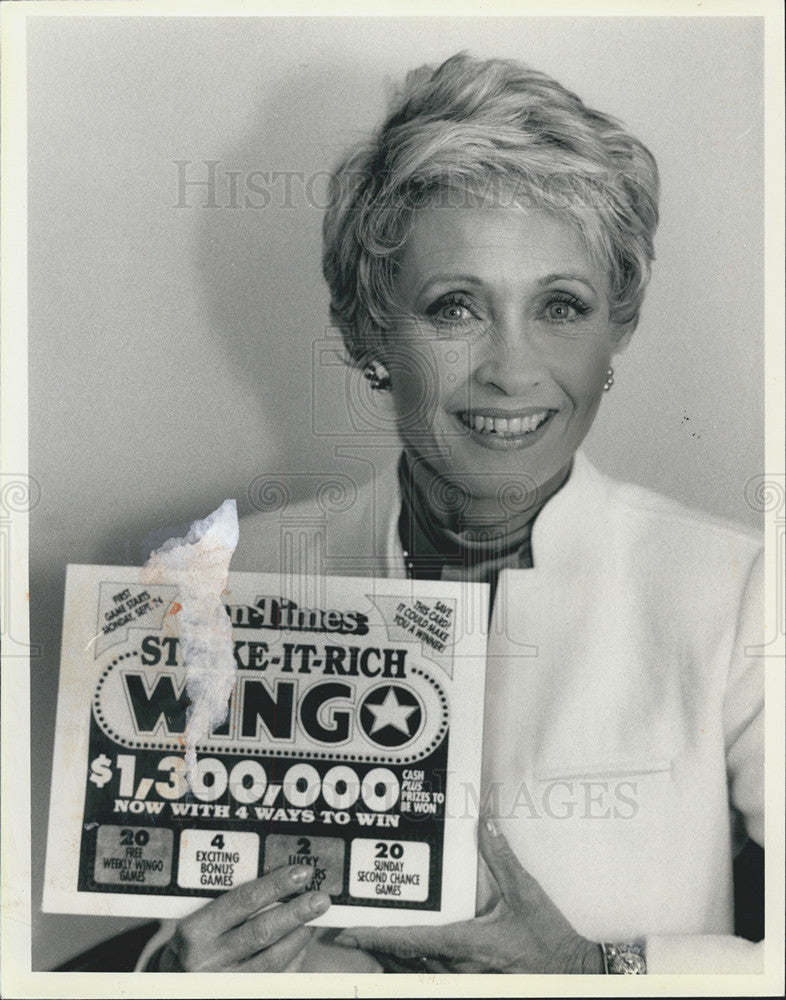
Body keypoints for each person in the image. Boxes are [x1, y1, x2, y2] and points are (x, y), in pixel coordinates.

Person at [60, 52, 764, 975]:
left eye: (560, 305)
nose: (513, 371)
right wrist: (174, 973)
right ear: (368, 331)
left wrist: (598, 973)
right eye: (455, 307)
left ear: (616, 328)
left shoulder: (737, 590)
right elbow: (159, 902)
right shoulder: (222, 582)